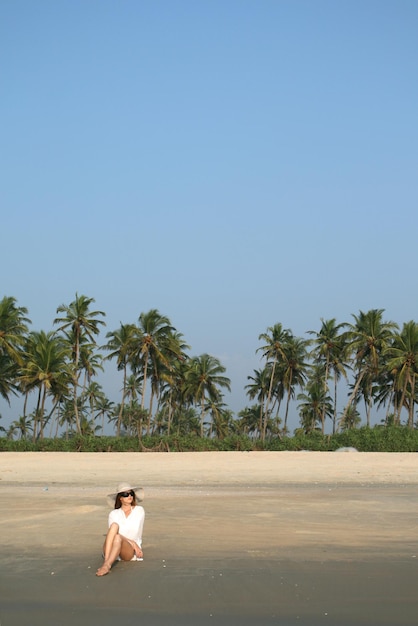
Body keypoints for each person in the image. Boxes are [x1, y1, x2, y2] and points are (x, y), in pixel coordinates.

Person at [96, 481, 145, 576]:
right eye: (126, 494)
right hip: (111, 548)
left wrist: (132, 543)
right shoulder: (114, 514)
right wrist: (133, 543)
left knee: (118, 538)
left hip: (128, 550)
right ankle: (107, 561)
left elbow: (133, 534)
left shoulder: (139, 511)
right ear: (120, 498)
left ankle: (106, 565)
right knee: (114, 526)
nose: (129, 496)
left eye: (131, 493)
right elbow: (112, 534)